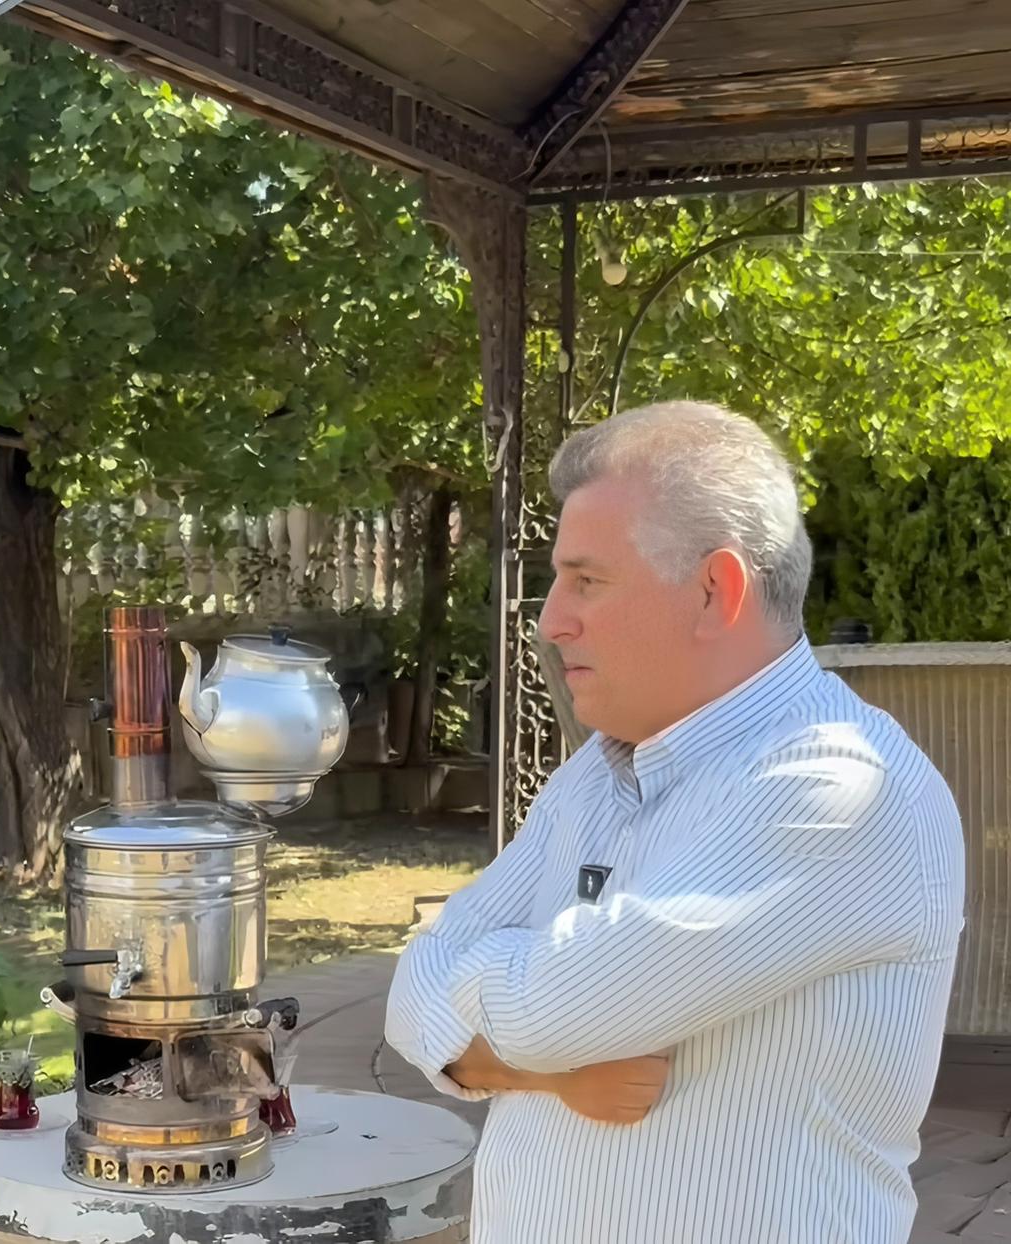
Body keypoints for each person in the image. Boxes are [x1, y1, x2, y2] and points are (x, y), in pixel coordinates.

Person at [386, 401, 964, 1244]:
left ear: (713, 592)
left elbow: (548, 1010)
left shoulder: (839, 791)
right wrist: (536, 1070)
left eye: (587, 580)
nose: (551, 620)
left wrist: (488, 1017)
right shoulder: (598, 772)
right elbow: (411, 992)